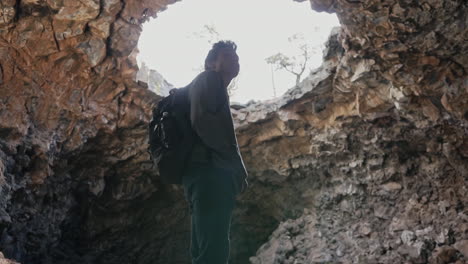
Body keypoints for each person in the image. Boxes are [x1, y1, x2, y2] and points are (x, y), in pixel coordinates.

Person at [182, 40, 248, 264]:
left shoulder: (216, 87)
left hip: (203, 174)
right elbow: (202, 122)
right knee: (214, 248)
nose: (235, 60)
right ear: (211, 63)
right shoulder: (209, 79)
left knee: (205, 245)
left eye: (236, 57)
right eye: (228, 56)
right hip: (209, 173)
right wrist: (233, 165)